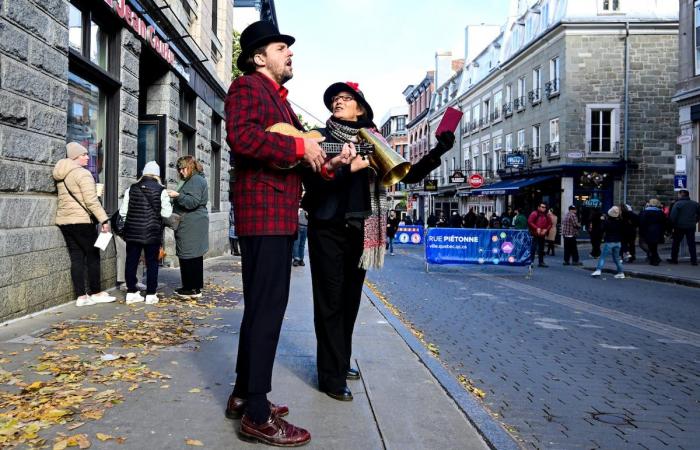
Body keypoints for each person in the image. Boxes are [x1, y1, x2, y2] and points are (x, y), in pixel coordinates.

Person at [302, 80, 455, 403]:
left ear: (360, 107)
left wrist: (439, 149)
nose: (338, 103)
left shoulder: (373, 140)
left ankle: (340, 362)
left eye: (346, 98)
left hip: (362, 230)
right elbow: (312, 186)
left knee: (349, 301)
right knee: (329, 302)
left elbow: (407, 174)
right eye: (334, 99)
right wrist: (343, 168)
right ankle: (330, 375)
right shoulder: (319, 137)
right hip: (327, 227)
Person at [223, 20, 333, 446]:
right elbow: (242, 138)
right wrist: (297, 148)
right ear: (258, 57)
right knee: (268, 312)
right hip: (263, 211)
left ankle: (241, 394)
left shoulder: (281, 102)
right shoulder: (247, 86)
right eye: (280, 47)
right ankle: (256, 413)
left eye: (289, 47)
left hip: (277, 212)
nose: (289, 52)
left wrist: (330, 162)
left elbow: (300, 154)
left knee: (260, 310)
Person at [53, 142, 115, 307]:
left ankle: (81, 296)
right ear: (75, 157)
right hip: (82, 221)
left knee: (77, 258)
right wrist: (104, 219)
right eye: (84, 155)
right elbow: (91, 201)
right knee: (93, 256)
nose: (88, 157)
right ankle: (96, 292)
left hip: (65, 221)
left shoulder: (61, 173)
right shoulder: (83, 174)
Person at [119, 161, 172, 305]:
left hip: (133, 231)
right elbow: (166, 213)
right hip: (152, 231)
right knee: (152, 262)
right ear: (157, 175)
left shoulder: (132, 188)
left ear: (144, 172)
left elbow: (123, 212)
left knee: (131, 261)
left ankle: (131, 292)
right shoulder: (162, 190)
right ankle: (150, 294)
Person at [168, 155, 209, 299]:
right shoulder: (194, 179)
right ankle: (194, 287)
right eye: (179, 169)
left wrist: (177, 195)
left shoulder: (196, 180)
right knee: (193, 255)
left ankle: (190, 288)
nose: (181, 172)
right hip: (192, 222)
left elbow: (193, 202)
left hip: (192, 223)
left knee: (188, 255)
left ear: (190, 167)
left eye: (183, 168)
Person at [591, 206, 625, 278]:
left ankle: (598, 270)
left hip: (610, 241)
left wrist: (602, 221)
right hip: (618, 241)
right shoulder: (620, 222)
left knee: (602, 257)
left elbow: (602, 229)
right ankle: (621, 272)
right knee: (617, 259)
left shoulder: (607, 222)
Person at [667, 189, 700, 265]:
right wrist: (695, 220)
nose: (678, 195)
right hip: (691, 226)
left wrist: (672, 225)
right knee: (691, 243)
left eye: (679, 194)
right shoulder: (695, 204)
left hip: (679, 226)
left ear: (681, 194)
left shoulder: (678, 204)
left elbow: (673, 216)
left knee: (676, 243)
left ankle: (674, 259)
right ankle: (694, 260)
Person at [639, 198, 665, 266]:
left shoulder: (645, 212)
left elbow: (642, 222)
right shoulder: (660, 212)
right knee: (654, 246)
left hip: (648, 231)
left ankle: (655, 260)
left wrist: (641, 231)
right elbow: (664, 222)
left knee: (651, 247)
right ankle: (655, 259)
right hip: (658, 231)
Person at [528, 202, 552, 267]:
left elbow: (550, 224)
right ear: (538, 207)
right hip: (535, 234)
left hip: (542, 234)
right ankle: (531, 262)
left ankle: (541, 262)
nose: (544, 208)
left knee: (541, 248)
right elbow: (530, 222)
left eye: (545, 207)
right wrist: (536, 228)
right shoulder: (534, 213)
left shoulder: (547, 215)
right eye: (542, 207)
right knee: (533, 248)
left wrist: (546, 229)